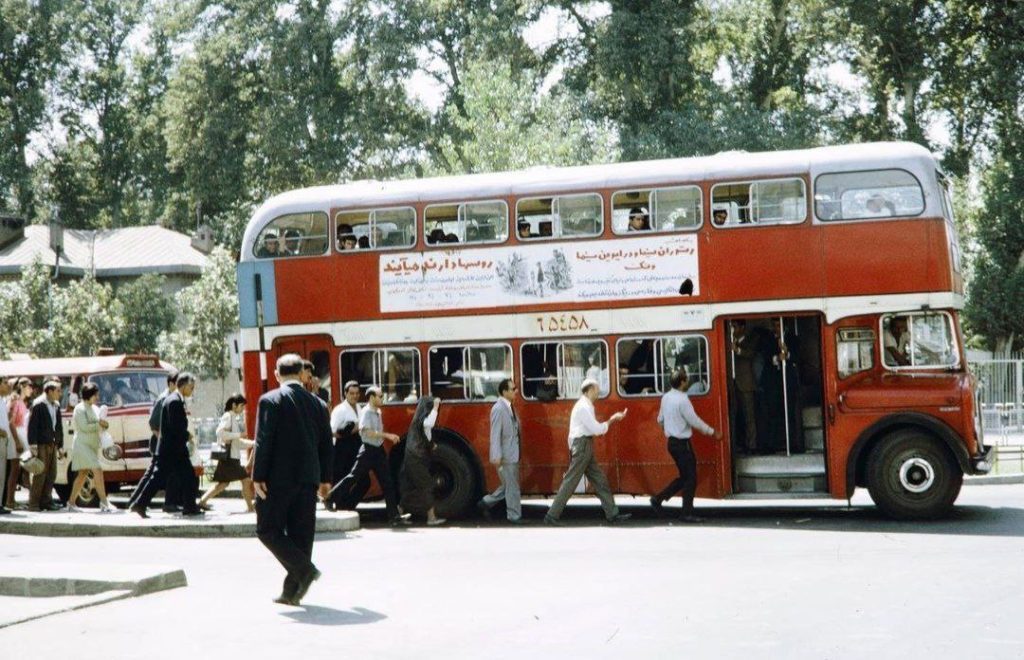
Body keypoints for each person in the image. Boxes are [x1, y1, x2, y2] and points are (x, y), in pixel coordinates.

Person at [251, 354, 333, 606]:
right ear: (301, 374)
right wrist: (325, 479)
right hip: (308, 479)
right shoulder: (318, 404)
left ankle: (304, 571)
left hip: (277, 479)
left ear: (277, 374)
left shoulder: (270, 400)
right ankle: (291, 592)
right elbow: (326, 445)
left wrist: (258, 476)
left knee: (267, 530)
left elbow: (263, 441)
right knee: (301, 535)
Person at [543, 379, 630, 525]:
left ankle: (612, 514)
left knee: (599, 480)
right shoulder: (584, 406)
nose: (598, 392)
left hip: (584, 445)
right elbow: (596, 429)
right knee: (571, 481)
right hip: (583, 445)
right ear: (590, 389)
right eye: (596, 389)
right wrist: (612, 419)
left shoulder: (585, 405)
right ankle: (551, 516)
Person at [650, 370, 722, 523]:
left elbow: (660, 419)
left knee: (685, 477)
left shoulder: (666, 397)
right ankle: (686, 512)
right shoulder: (683, 400)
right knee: (691, 478)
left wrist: (667, 430)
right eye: (686, 379)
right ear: (682, 382)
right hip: (683, 444)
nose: (688, 381)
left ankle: (659, 499)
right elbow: (694, 420)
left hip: (672, 443)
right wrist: (712, 431)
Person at [330, 386, 408, 525]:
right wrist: (387, 435)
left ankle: (394, 516)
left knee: (387, 482)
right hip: (368, 450)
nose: (382, 398)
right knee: (353, 477)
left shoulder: (377, 411)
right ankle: (330, 498)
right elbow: (365, 432)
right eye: (379, 396)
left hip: (378, 450)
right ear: (372, 398)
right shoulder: (366, 412)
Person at [131, 373, 202, 518]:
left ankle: (189, 506)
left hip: (173, 448)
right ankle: (140, 504)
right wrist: (186, 435)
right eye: (191, 387)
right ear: (184, 385)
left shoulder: (174, 399)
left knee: (187, 476)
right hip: (172, 449)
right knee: (159, 478)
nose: (192, 390)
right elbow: (175, 427)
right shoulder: (174, 401)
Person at [128, 372, 179, 513]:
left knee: (161, 473)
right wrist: (164, 438)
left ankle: (137, 501)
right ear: (171, 384)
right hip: (160, 443)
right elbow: (153, 423)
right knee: (154, 475)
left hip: (164, 443)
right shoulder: (164, 399)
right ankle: (138, 502)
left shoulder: (171, 398)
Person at [199, 394, 255, 512]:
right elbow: (220, 433)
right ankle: (250, 507)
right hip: (230, 458)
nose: (242, 409)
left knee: (223, 484)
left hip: (230, 457)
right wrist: (239, 435)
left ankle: (202, 501)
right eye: (241, 406)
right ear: (234, 405)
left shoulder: (232, 417)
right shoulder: (228, 416)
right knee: (245, 480)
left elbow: (237, 442)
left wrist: (252, 443)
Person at [65, 383, 116, 512]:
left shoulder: (95, 408)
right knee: (97, 470)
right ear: (89, 395)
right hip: (82, 445)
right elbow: (84, 427)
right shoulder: (79, 409)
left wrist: (105, 424)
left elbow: (101, 423)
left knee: (82, 474)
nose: (97, 397)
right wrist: (99, 424)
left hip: (92, 445)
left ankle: (71, 503)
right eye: (95, 394)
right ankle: (104, 503)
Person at [478, 379, 522, 523]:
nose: (515, 391)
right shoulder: (498, 408)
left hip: (511, 453)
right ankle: (514, 516)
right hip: (505, 455)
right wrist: (496, 455)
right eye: (512, 388)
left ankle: (485, 503)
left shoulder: (509, 406)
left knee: (508, 485)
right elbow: (495, 433)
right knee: (512, 487)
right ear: (504, 392)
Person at [399, 396, 446, 525]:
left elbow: (425, 436)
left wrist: (431, 445)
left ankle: (397, 513)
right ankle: (431, 518)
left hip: (413, 458)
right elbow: (429, 423)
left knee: (411, 487)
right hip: (416, 458)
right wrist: (436, 407)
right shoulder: (423, 422)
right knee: (427, 485)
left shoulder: (418, 423)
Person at [328, 381, 368, 511]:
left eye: (357, 393)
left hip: (357, 445)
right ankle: (340, 506)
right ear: (345, 393)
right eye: (351, 393)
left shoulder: (359, 407)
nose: (355, 396)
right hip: (343, 447)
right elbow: (332, 431)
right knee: (342, 477)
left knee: (364, 481)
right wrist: (350, 431)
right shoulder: (339, 410)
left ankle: (348, 505)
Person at [27, 379, 64, 512]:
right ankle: (34, 503)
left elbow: (58, 426)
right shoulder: (39, 404)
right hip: (41, 444)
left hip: (52, 444)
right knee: (40, 474)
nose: (60, 394)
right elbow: (33, 426)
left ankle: (46, 501)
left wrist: (60, 446)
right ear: (49, 391)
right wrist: (33, 445)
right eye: (58, 391)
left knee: (51, 474)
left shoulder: (56, 405)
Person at [730, 320, 758, 454]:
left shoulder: (750, 340)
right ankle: (738, 444)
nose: (733, 329)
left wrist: (737, 349)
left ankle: (751, 445)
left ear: (742, 327)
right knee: (734, 415)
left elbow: (750, 354)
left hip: (746, 383)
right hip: (733, 384)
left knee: (749, 416)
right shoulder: (729, 342)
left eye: (734, 327)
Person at [5, 378, 31, 509]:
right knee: (14, 470)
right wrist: (17, 441)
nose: (31, 389)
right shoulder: (15, 400)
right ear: (21, 386)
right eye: (29, 386)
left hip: (21, 435)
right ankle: (10, 501)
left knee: (19, 470)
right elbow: (11, 422)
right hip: (15, 436)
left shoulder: (22, 402)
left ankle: (12, 501)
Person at [0, 376, 12, 515]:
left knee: (2, 473)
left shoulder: (3, 401)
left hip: (3, 440)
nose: (8, 385)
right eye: (5, 383)